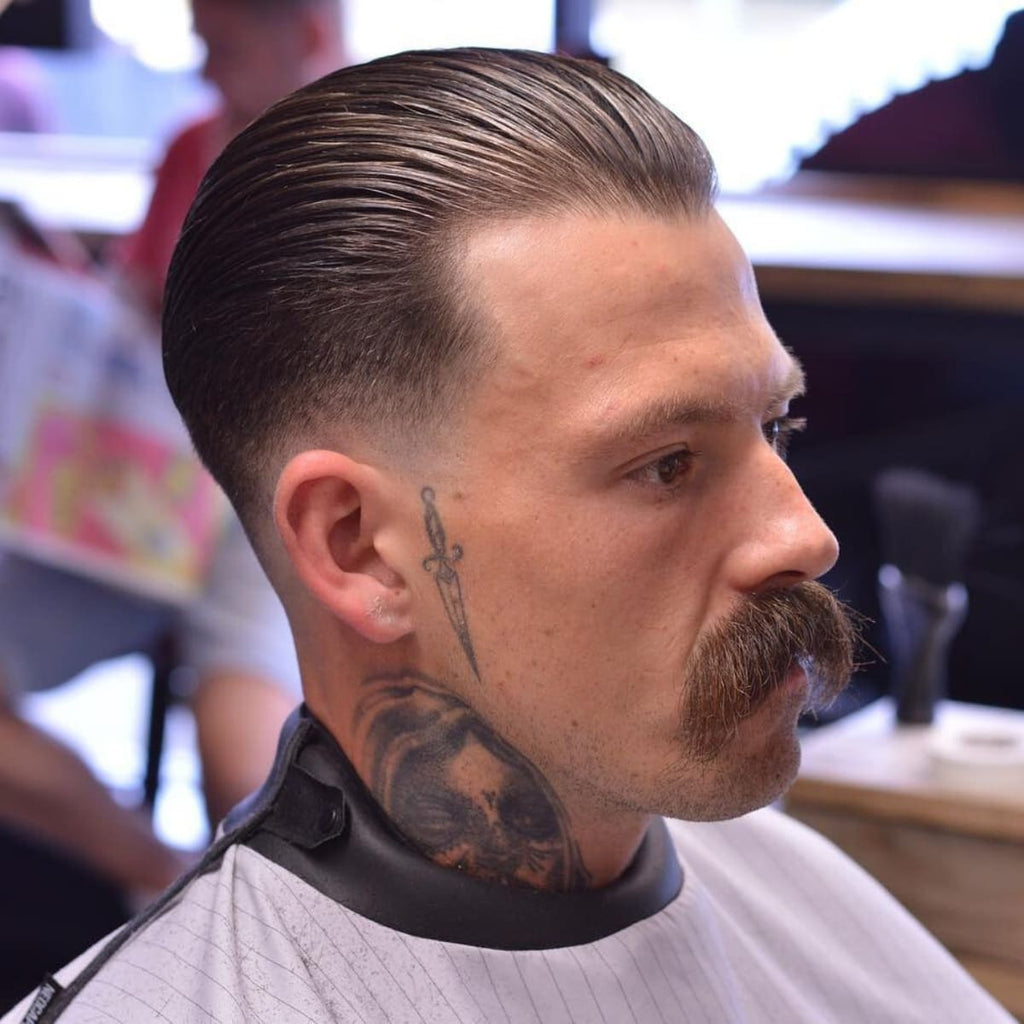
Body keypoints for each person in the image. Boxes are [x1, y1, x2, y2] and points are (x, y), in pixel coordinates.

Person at [4, 47, 1013, 1024]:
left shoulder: (790, 882)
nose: (804, 534)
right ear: (358, 547)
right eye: (665, 463)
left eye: (772, 426)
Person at [0, 0, 346, 906]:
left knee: (248, 738)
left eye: (220, 48)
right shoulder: (195, 144)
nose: (203, 70)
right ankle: (170, 887)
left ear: (303, 35)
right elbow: (144, 310)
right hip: (137, 483)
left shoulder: (362, 165)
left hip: (273, 489)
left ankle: (273, 912)